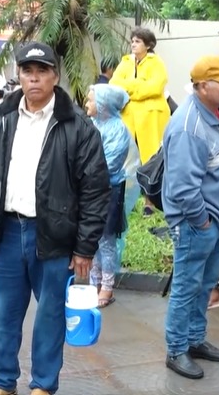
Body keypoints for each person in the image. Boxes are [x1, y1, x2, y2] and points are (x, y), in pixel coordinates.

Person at [0, 41, 110, 395]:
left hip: (55, 235)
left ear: (55, 76)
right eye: (27, 71)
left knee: (50, 316)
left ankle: (43, 385)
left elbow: (95, 190)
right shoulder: (1, 119)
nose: (34, 79)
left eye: (42, 71)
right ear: (18, 75)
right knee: (1, 315)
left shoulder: (77, 125)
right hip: (7, 232)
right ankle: (2, 382)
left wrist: (85, 247)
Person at [161, 55, 219, 380]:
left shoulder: (218, 113)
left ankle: (194, 340)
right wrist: (203, 222)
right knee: (186, 287)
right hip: (196, 223)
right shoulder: (188, 126)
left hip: (216, 221)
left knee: (205, 284)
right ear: (201, 86)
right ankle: (176, 349)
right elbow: (183, 187)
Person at [110, 27, 170, 215]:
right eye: (132, 41)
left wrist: (129, 88)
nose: (133, 44)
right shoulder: (125, 62)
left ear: (148, 45)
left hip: (151, 118)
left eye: (138, 41)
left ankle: (149, 202)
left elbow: (155, 87)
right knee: (126, 158)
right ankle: (124, 201)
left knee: (151, 158)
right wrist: (139, 87)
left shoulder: (156, 63)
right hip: (128, 118)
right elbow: (114, 84)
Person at [84, 83, 133, 308]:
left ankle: (107, 285)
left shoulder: (117, 129)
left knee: (106, 238)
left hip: (108, 190)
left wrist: (82, 172)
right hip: (89, 189)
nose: (87, 104)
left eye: (91, 100)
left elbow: (109, 164)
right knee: (92, 237)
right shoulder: (91, 125)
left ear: (103, 104)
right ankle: (94, 281)